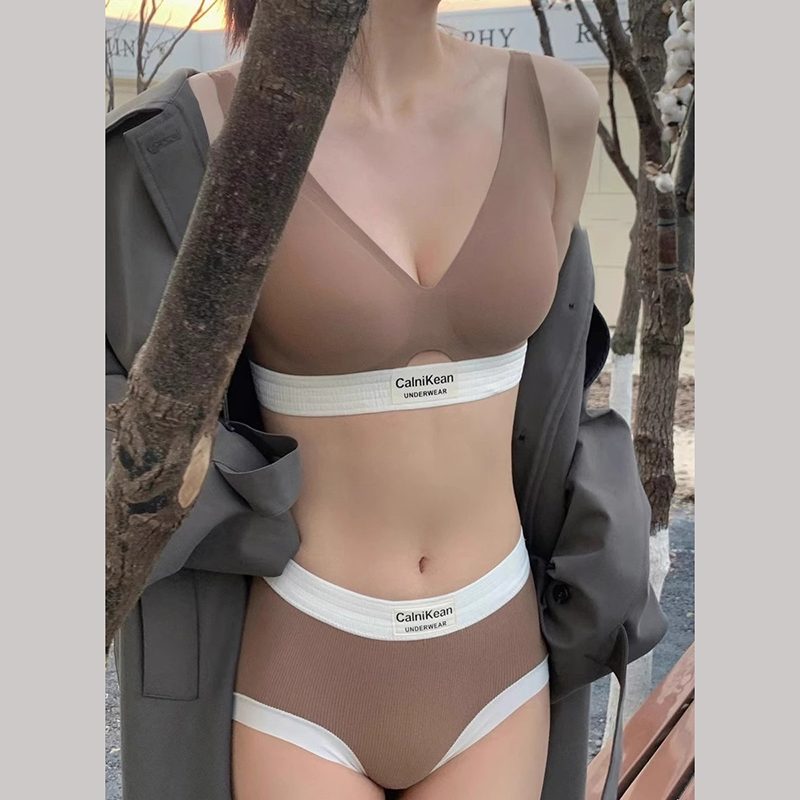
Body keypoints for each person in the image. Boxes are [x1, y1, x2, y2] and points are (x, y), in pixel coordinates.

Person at [106, 2, 665, 799]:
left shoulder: (555, 105)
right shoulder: (195, 132)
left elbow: (556, 377)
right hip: (303, 653)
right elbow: (128, 400)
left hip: (497, 647)